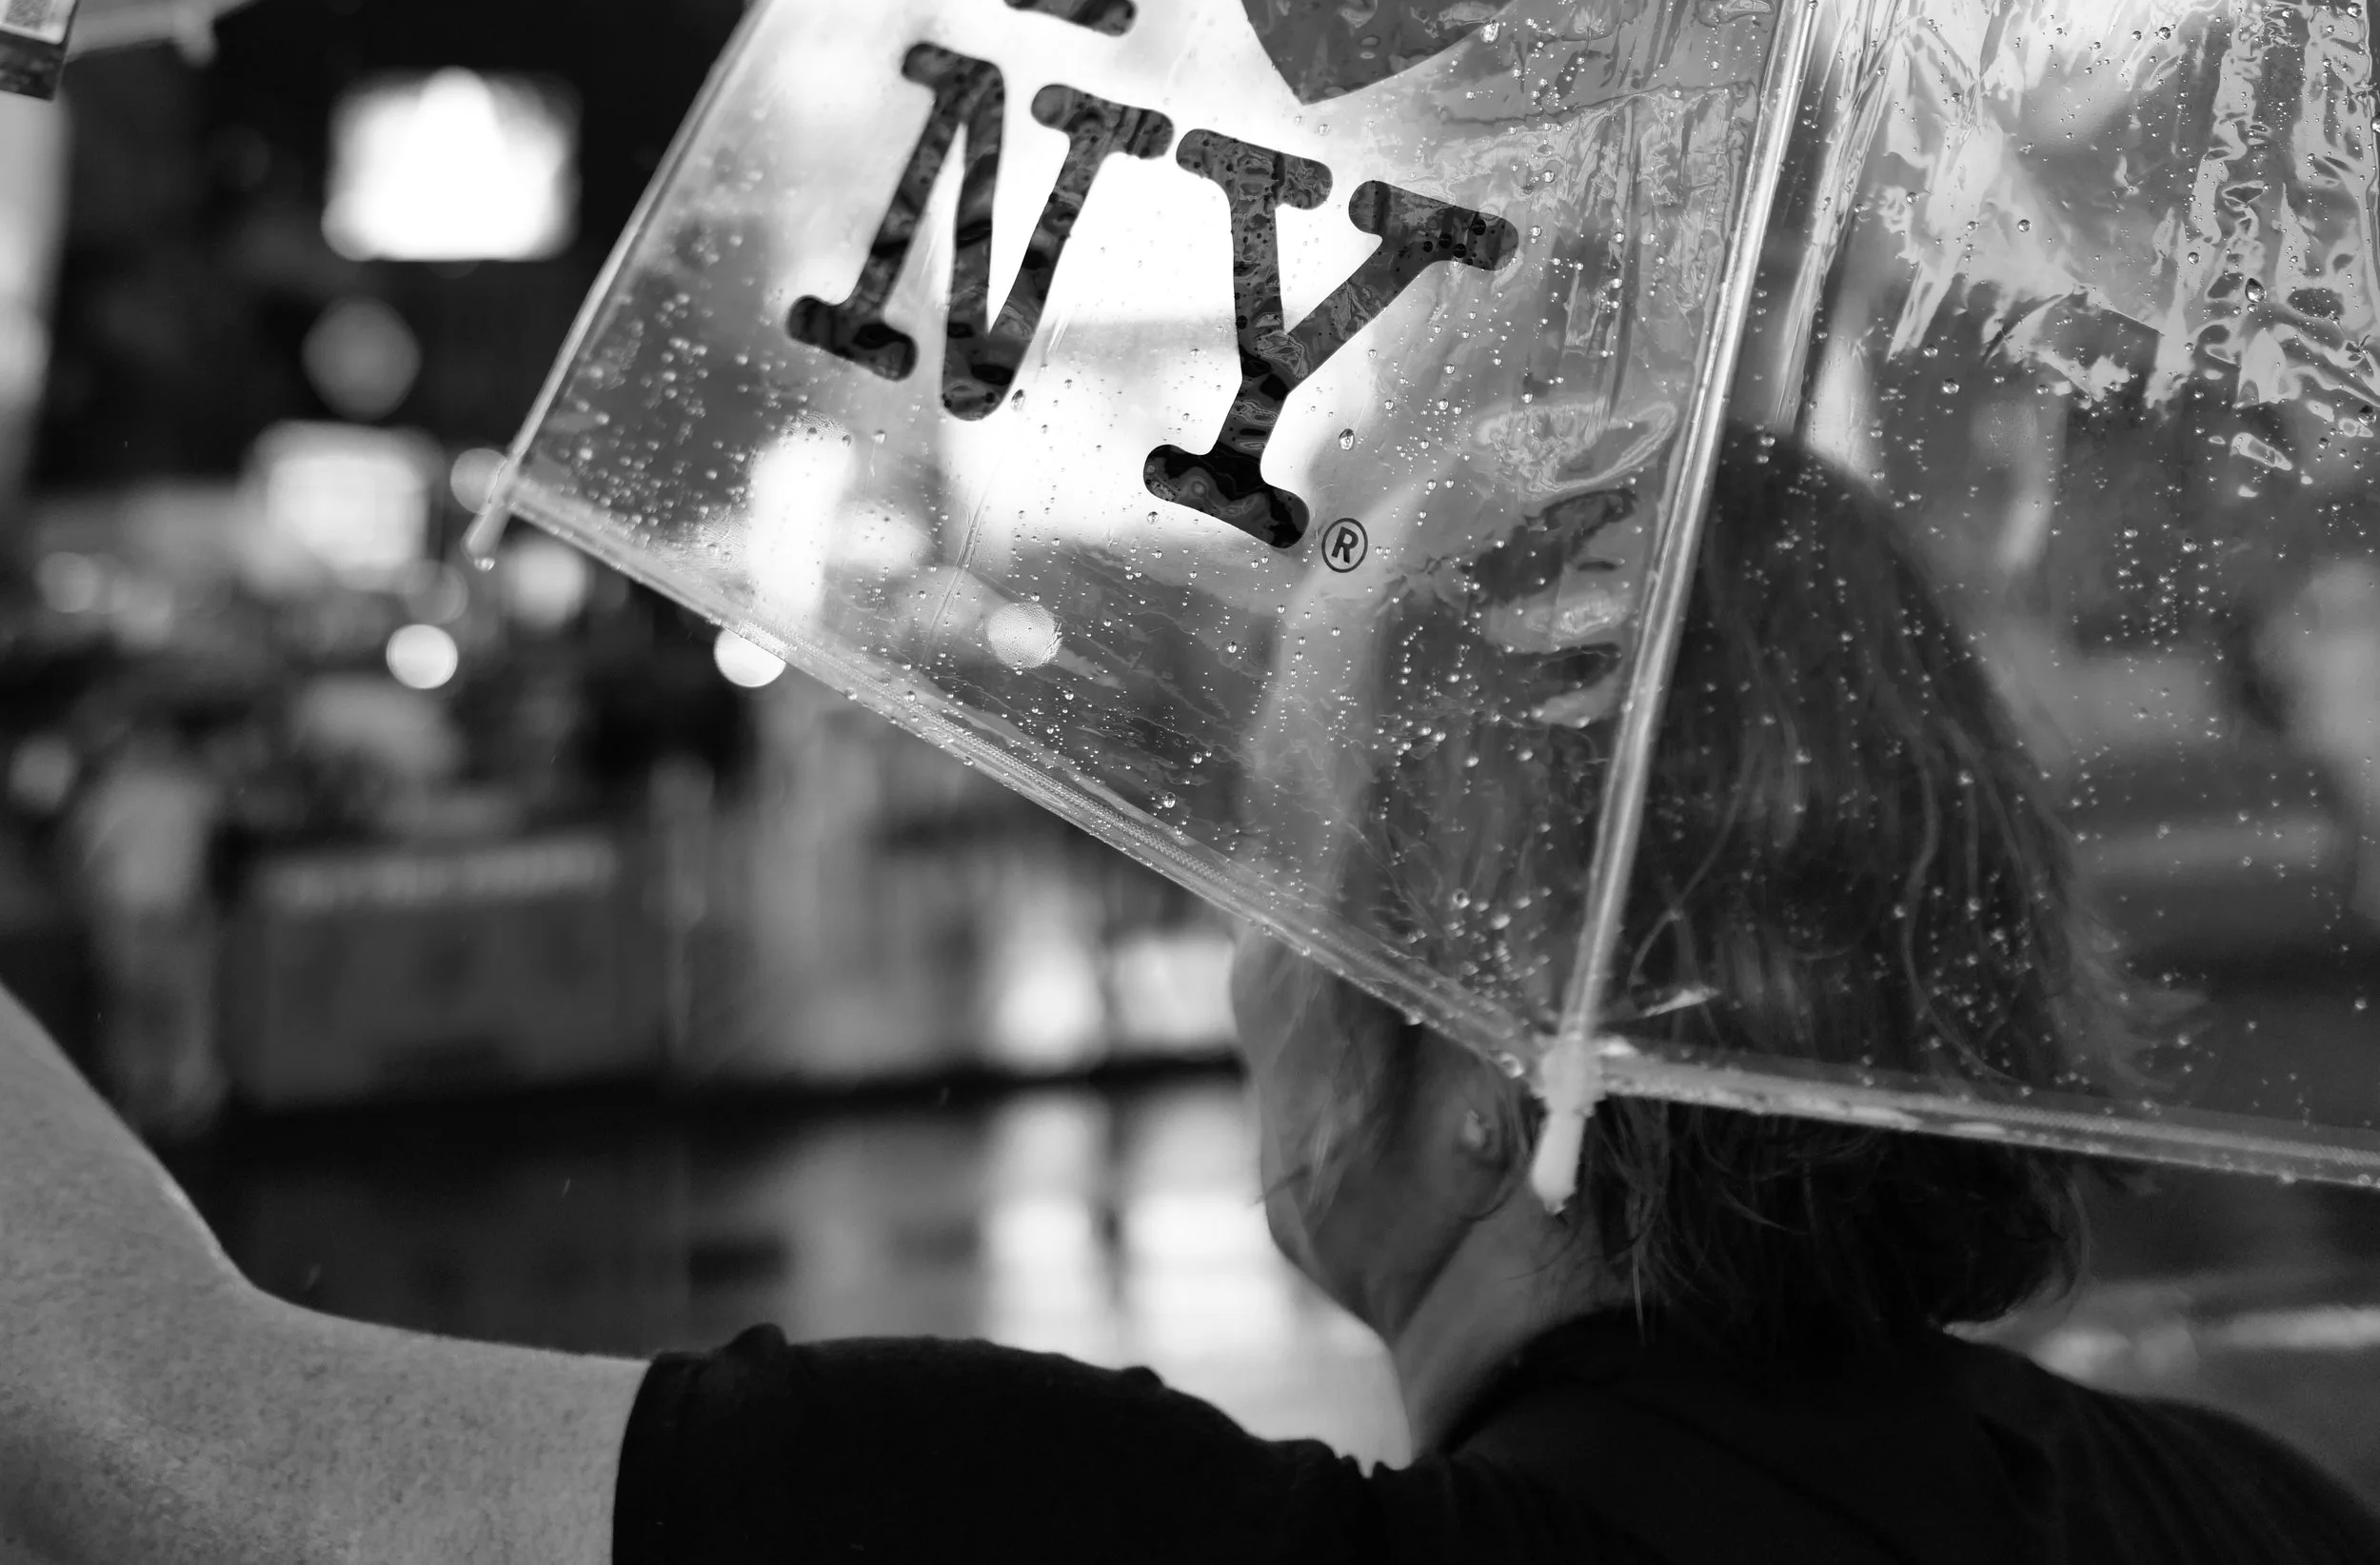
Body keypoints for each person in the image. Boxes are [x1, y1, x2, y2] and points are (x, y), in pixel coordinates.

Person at [3, 435, 2376, 1565]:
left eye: (1283, 858)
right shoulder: (2239, 1519)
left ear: (1491, 1079)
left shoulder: (1116, 1559)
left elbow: (144, 1434)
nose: (1242, 951)